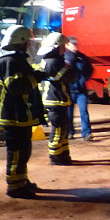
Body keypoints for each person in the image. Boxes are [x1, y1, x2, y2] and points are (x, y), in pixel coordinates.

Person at [0, 25, 47, 199]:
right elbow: (15, 87)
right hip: (13, 115)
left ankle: (22, 180)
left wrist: (35, 74)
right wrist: (35, 78)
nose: (30, 46)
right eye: (29, 42)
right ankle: (15, 187)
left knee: (24, 150)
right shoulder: (10, 60)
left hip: (20, 114)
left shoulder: (16, 59)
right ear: (21, 42)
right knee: (17, 151)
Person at [37, 32, 75, 165]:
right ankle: (55, 156)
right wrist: (69, 66)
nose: (64, 49)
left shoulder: (45, 59)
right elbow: (69, 77)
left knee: (63, 130)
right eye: (63, 47)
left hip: (55, 99)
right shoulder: (54, 62)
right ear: (56, 47)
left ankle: (63, 154)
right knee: (58, 130)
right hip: (55, 100)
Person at [64, 36, 94, 140]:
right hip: (69, 90)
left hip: (81, 90)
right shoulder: (64, 57)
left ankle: (86, 133)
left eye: (76, 44)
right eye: (73, 44)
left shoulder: (82, 57)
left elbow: (90, 69)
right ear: (67, 45)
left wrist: (85, 78)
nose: (75, 46)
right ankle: (69, 132)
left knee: (84, 112)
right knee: (68, 113)